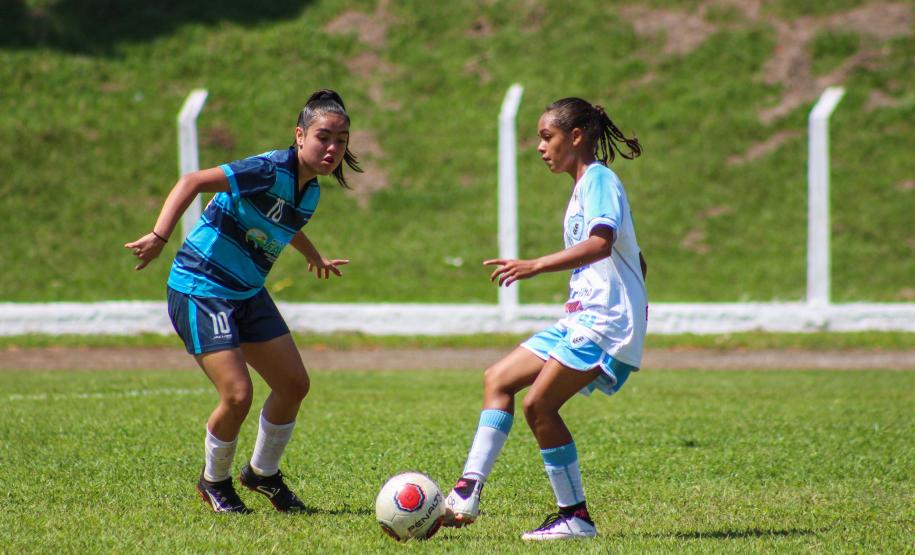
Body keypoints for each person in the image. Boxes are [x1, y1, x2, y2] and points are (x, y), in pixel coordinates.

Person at [125, 89, 360, 514]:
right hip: (202, 288)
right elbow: (192, 181)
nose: (332, 148)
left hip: (247, 293)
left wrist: (313, 255)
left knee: (293, 385)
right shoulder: (267, 169)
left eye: (341, 141)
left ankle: (262, 474)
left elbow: (280, 222)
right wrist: (159, 236)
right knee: (237, 395)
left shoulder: (310, 193)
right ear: (300, 135)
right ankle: (214, 481)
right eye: (324, 137)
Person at [442, 97, 647, 540]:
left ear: (575, 137)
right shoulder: (583, 188)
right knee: (498, 378)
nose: (539, 146)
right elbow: (636, 260)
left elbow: (601, 243)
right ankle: (466, 491)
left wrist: (534, 265)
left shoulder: (599, 180)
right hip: (581, 318)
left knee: (539, 404)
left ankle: (575, 516)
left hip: (603, 323)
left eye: (546, 136)